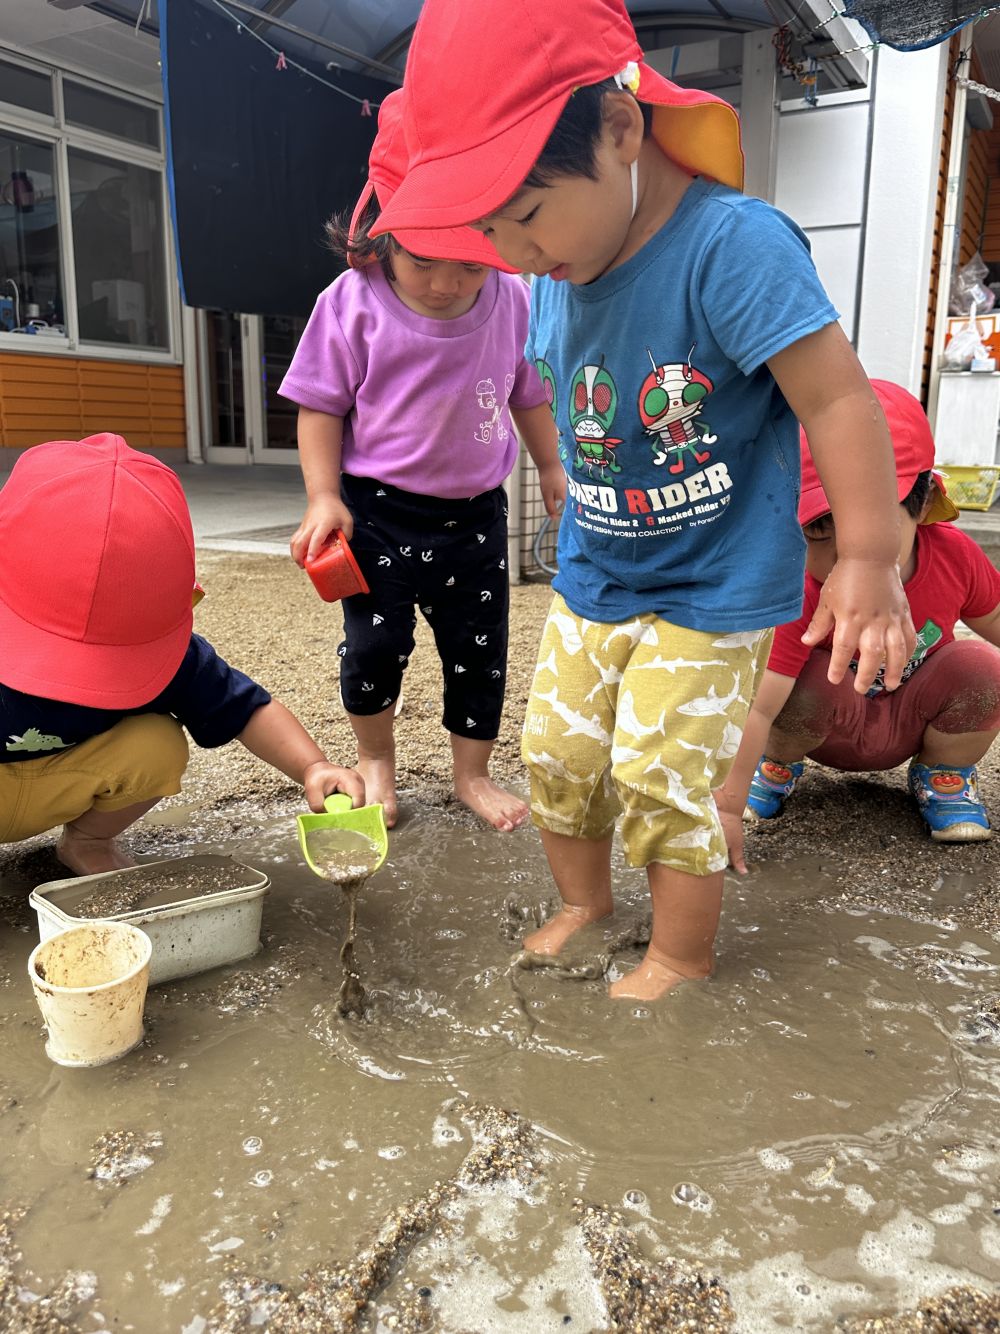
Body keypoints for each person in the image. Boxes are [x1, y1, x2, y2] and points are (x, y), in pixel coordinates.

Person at [370, 0, 915, 1001]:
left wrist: (871, 555)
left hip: (712, 584)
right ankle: (585, 903)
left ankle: (679, 952)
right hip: (598, 569)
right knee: (560, 753)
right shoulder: (556, 267)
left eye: (525, 217)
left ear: (621, 130)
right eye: (490, 231)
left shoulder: (730, 246)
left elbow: (836, 396)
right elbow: (554, 386)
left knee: (661, 770)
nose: (516, 253)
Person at [281, 90, 564, 834]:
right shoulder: (352, 302)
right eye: (422, 259)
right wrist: (321, 496)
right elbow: (320, 406)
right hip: (374, 510)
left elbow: (528, 395)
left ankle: (472, 772)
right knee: (374, 645)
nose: (446, 283)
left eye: (470, 266)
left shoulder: (512, 300)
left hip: (475, 514)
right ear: (381, 236)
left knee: (481, 650)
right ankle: (377, 761)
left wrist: (552, 469)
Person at [0, 433, 364, 877]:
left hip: (64, 781)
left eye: (113, 656)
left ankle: (88, 840)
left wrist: (313, 766)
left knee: (158, 746)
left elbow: (246, 709)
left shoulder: (171, 655)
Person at [715, 380, 1000, 870]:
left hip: (912, 713)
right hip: (826, 725)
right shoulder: (795, 584)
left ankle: (943, 774)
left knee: (984, 667)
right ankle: (778, 764)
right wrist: (724, 806)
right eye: (820, 531)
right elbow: (757, 706)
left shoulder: (954, 557)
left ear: (924, 501)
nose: (847, 557)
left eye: (872, 530)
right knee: (790, 682)